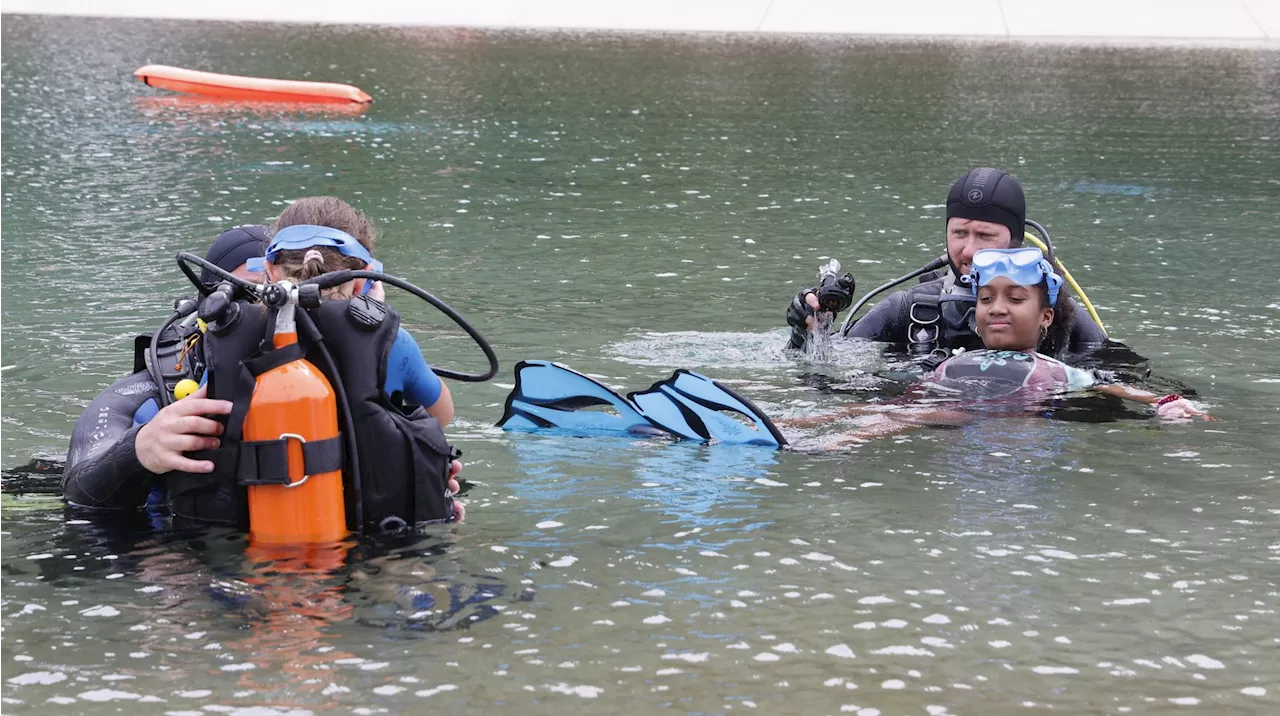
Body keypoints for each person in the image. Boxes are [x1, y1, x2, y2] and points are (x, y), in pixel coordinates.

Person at [64, 207, 464, 526]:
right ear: (206, 310)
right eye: (244, 297)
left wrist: (426, 479)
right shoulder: (149, 400)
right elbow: (78, 494)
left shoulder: (386, 386)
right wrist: (139, 451)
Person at [783, 248, 1215, 442]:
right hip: (941, 400)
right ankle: (783, 426)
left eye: (1015, 298)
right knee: (870, 409)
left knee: (892, 420)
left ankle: (829, 445)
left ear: (1046, 317)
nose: (996, 308)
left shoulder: (1058, 369)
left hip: (984, 418)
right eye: (987, 299)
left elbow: (1113, 387)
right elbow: (913, 392)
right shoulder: (956, 360)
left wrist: (1165, 402)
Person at [785, 167, 1109, 359]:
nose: (968, 250)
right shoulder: (909, 309)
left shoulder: (1057, 315)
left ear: (1016, 242)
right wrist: (808, 333)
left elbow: (1126, 382)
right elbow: (829, 372)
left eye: (984, 235)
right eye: (959, 233)